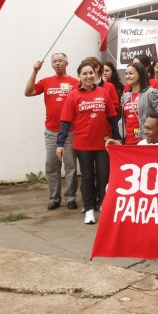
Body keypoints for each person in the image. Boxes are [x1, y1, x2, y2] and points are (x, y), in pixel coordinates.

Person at [57, 60, 121, 224]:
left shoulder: (103, 92)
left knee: (103, 177)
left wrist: (117, 137)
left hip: (103, 144)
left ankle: (105, 207)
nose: (89, 76)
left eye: (91, 73)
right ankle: (89, 209)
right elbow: (65, 122)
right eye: (84, 74)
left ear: (96, 74)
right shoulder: (73, 96)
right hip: (83, 144)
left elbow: (112, 118)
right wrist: (60, 144)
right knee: (86, 178)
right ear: (79, 76)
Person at [24, 53, 80, 210]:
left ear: (66, 63)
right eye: (54, 61)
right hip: (51, 132)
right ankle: (54, 198)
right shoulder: (46, 81)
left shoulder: (75, 83)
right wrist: (35, 72)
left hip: (70, 132)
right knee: (52, 167)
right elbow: (28, 92)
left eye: (60, 61)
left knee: (70, 167)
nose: (57, 63)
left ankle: (70, 197)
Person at [119, 62, 158, 145]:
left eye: (131, 73)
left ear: (140, 74)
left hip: (145, 141)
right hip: (127, 141)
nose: (127, 76)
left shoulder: (151, 93)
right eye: (126, 74)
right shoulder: (125, 96)